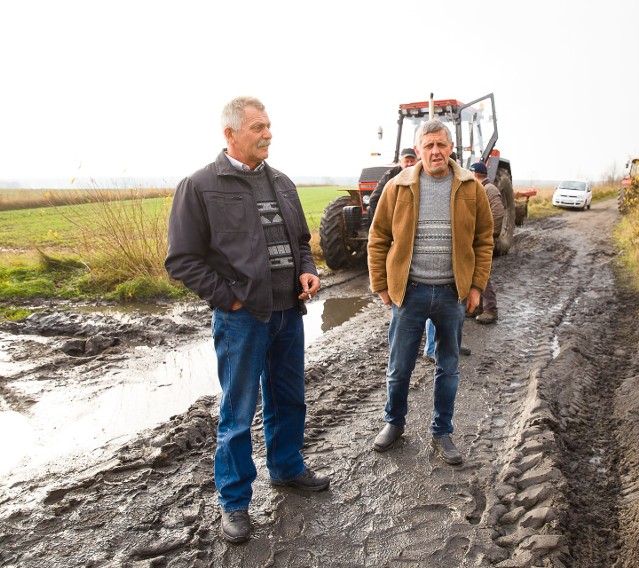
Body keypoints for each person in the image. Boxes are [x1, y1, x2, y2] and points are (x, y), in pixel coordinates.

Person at [165, 96, 329, 545]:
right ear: (230, 134)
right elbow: (182, 259)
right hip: (243, 320)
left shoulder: (283, 183)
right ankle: (234, 502)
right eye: (258, 127)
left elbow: (300, 242)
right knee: (238, 414)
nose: (268, 134)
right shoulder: (199, 186)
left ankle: (287, 468)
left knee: (289, 398)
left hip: (287, 314)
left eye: (269, 126)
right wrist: (230, 300)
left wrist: (307, 270)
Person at [368, 119, 494, 465]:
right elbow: (378, 238)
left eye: (441, 144)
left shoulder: (471, 187)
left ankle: (442, 431)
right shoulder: (398, 187)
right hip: (410, 293)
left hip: (452, 294)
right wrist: (381, 284)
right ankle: (394, 423)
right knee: (399, 366)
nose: (435, 151)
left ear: (451, 148)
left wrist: (476, 286)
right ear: (419, 149)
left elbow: (485, 240)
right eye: (428, 145)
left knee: (448, 367)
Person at [469, 161, 505, 324]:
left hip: (484, 240)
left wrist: (489, 235)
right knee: (474, 272)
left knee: (483, 273)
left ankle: (491, 309)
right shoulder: (481, 189)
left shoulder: (490, 190)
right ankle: (477, 307)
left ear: (475, 174)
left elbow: (497, 214)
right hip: (476, 239)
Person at [368, 147, 418, 220]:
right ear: (401, 162)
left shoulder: (424, 175)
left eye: (412, 161)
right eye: (406, 161)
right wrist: (383, 221)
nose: (409, 164)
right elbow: (374, 200)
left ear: (417, 161)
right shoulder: (391, 175)